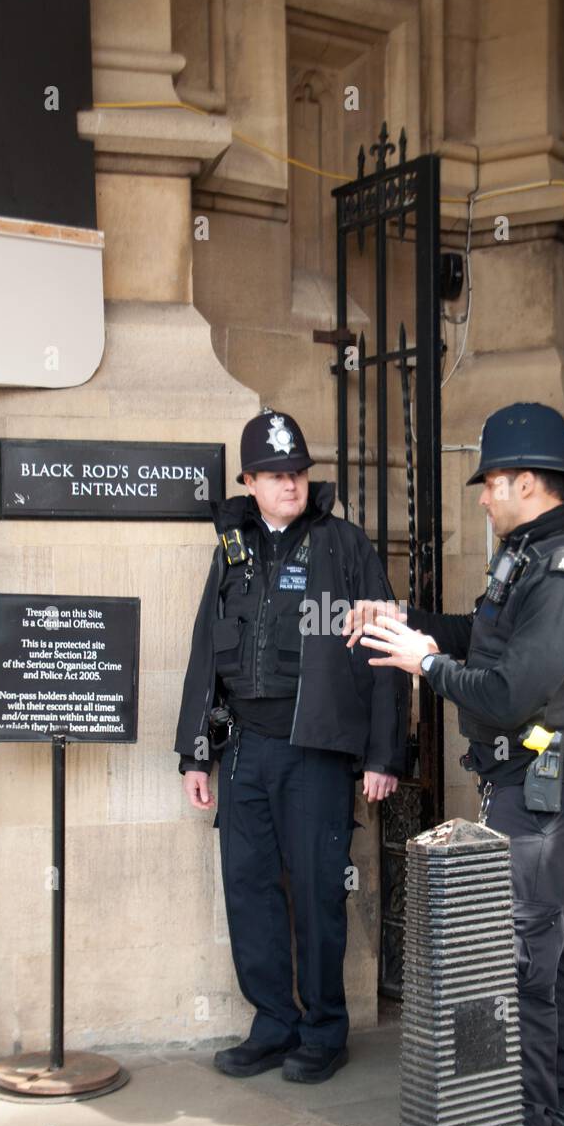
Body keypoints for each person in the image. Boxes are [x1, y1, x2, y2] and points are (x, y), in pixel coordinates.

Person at [346, 403, 564, 1126]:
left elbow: (503, 691)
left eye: (490, 482)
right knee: (551, 960)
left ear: (526, 483)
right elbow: (484, 636)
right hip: (529, 791)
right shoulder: (529, 557)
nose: (480, 496)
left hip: (544, 799)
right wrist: (407, 620)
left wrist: (420, 665)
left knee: (522, 966)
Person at [175, 407, 408, 1085]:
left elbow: (387, 646)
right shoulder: (232, 547)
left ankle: (323, 1031)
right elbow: (202, 650)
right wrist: (195, 752)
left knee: (315, 895)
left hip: (316, 752)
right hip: (245, 749)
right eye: (275, 475)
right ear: (249, 480)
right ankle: (272, 1024)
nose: (289, 484)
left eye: (298, 473)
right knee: (248, 890)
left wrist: (383, 756)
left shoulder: (344, 546)